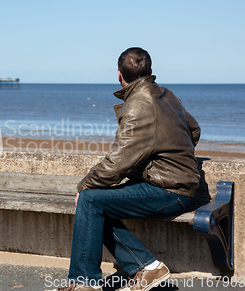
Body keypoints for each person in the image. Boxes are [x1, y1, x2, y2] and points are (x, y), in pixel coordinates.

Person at [58, 47, 201, 291]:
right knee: (96, 205)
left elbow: (116, 164)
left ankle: (84, 283)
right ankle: (147, 266)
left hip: (169, 191)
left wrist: (83, 187)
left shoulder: (137, 106)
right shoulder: (168, 95)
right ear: (151, 72)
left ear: (119, 76)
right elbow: (194, 130)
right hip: (175, 185)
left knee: (89, 200)